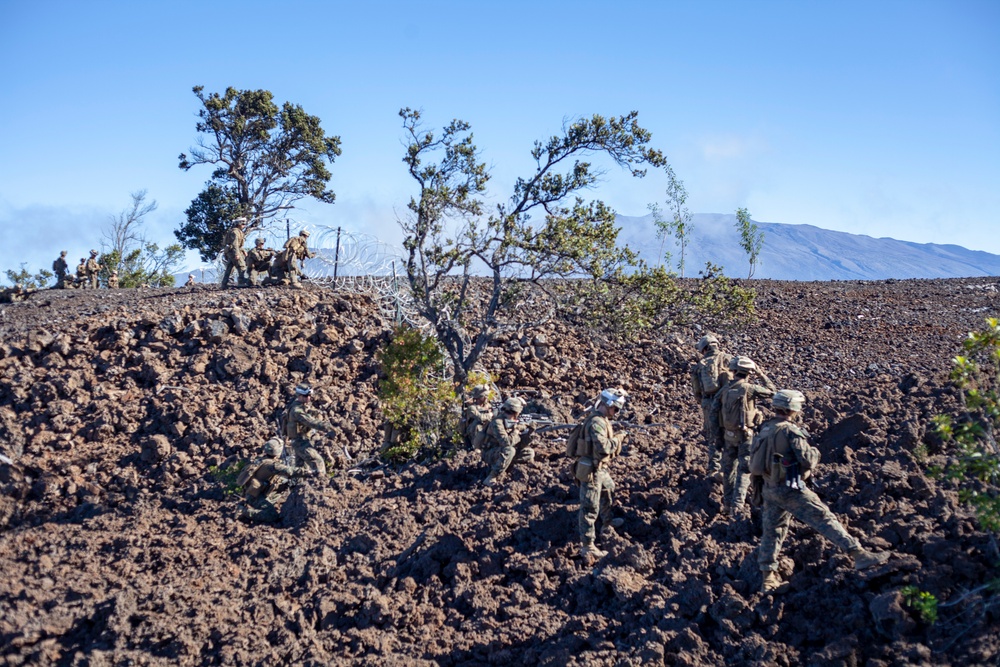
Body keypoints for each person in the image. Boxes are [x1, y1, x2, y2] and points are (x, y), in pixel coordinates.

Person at [753, 389, 890, 594]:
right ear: (794, 408)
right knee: (823, 517)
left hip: (769, 488)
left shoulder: (765, 428)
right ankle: (858, 554)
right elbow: (808, 459)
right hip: (789, 487)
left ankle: (768, 578)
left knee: (772, 531)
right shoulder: (790, 431)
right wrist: (816, 453)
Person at [716, 356, 775, 515]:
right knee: (744, 470)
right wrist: (762, 374)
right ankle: (737, 507)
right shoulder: (750, 389)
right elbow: (773, 392)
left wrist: (717, 437)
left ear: (733, 371)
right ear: (749, 372)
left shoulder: (725, 389)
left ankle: (728, 504)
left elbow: (715, 411)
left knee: (729, 470)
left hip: (729, 436)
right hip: (746, 436)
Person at [574, 388, 628, 560]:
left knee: (608, 489)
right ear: (608, 404)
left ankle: (606, 523)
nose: (617, 413)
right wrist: (618, 439)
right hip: (591, 470)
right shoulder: (597, 422)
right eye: (616, 408)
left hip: (599, 468)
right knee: (589, 507)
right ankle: (587, 546)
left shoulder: (602, 420)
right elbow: (603, 448)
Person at [691, 334, 732, 478]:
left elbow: (697, 392)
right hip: (727, 403)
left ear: (704, 349)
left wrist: (705, 401)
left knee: (713, 437)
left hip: (709, 403)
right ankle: (730, 468)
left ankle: (714, 468)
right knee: (730, 434)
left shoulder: (700, 365)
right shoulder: (729, 359)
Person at [239, 438, 303, 523]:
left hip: (255, 493)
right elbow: (290, 471)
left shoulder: (262, 460)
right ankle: (243, 511)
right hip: (255, 497)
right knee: (272, 516)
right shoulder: (271, 465)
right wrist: (309, 472)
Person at [481, 397, 535, 485]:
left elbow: (521, 445)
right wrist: (516, 431)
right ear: (516, 412)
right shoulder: (497, 422)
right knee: (510, 450)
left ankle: (506, 465)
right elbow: (506, 443)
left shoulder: (513, 421)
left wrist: (529, 433)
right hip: (490, 453)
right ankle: (491, 476)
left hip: (502, 452)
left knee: (529, 452)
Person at [284, 383, 333, 476]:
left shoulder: (298, 405)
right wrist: (328, 427)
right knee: (317, 461)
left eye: (309, 395)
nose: (309, 398)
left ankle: (297, 488)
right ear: (299, 396)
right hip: (300, 442)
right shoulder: (297, 410)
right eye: (306, 396)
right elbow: (310, 422)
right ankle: (322, 484)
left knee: (301, 470)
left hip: (298, 441)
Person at [460, 385, 494, 450]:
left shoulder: (488, 405)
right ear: (479, 397)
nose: (486, 398)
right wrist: (490, 414)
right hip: (473, 433)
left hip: (485, 430)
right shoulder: (472, 408)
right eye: (484, 396)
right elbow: (480, 418)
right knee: (477, 425)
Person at [221, 218, 248, 288]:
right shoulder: (235, 232)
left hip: (231, 251)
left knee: (229, 268)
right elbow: (235, 244)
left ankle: (224, 283)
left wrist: (243, 250)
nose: (244, 225)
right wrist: (237, 254)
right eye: (243, 224)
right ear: (238, 224)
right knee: (241, 266)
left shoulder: (237, 231)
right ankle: (241, 282)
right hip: (233, 252)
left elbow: (238, 244)